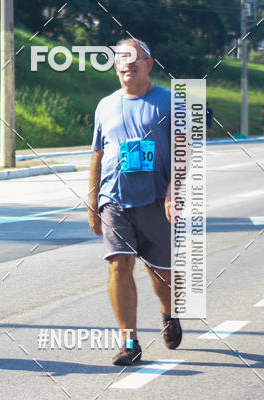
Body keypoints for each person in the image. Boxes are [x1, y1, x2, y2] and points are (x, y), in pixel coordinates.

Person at [88, 39, 181, 366]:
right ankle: (130, 343)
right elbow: (98, 155)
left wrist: (173, 191)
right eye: (121, 60)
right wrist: (92, 202)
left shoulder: (169, 102)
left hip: (156, 200)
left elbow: (185, 152)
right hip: (114, 199)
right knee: (119, 264)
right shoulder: (105, 105)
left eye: (134, 59)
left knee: (161, 274)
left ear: (149, 64)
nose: (127, 65)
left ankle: (169, 313)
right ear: (116, 67)